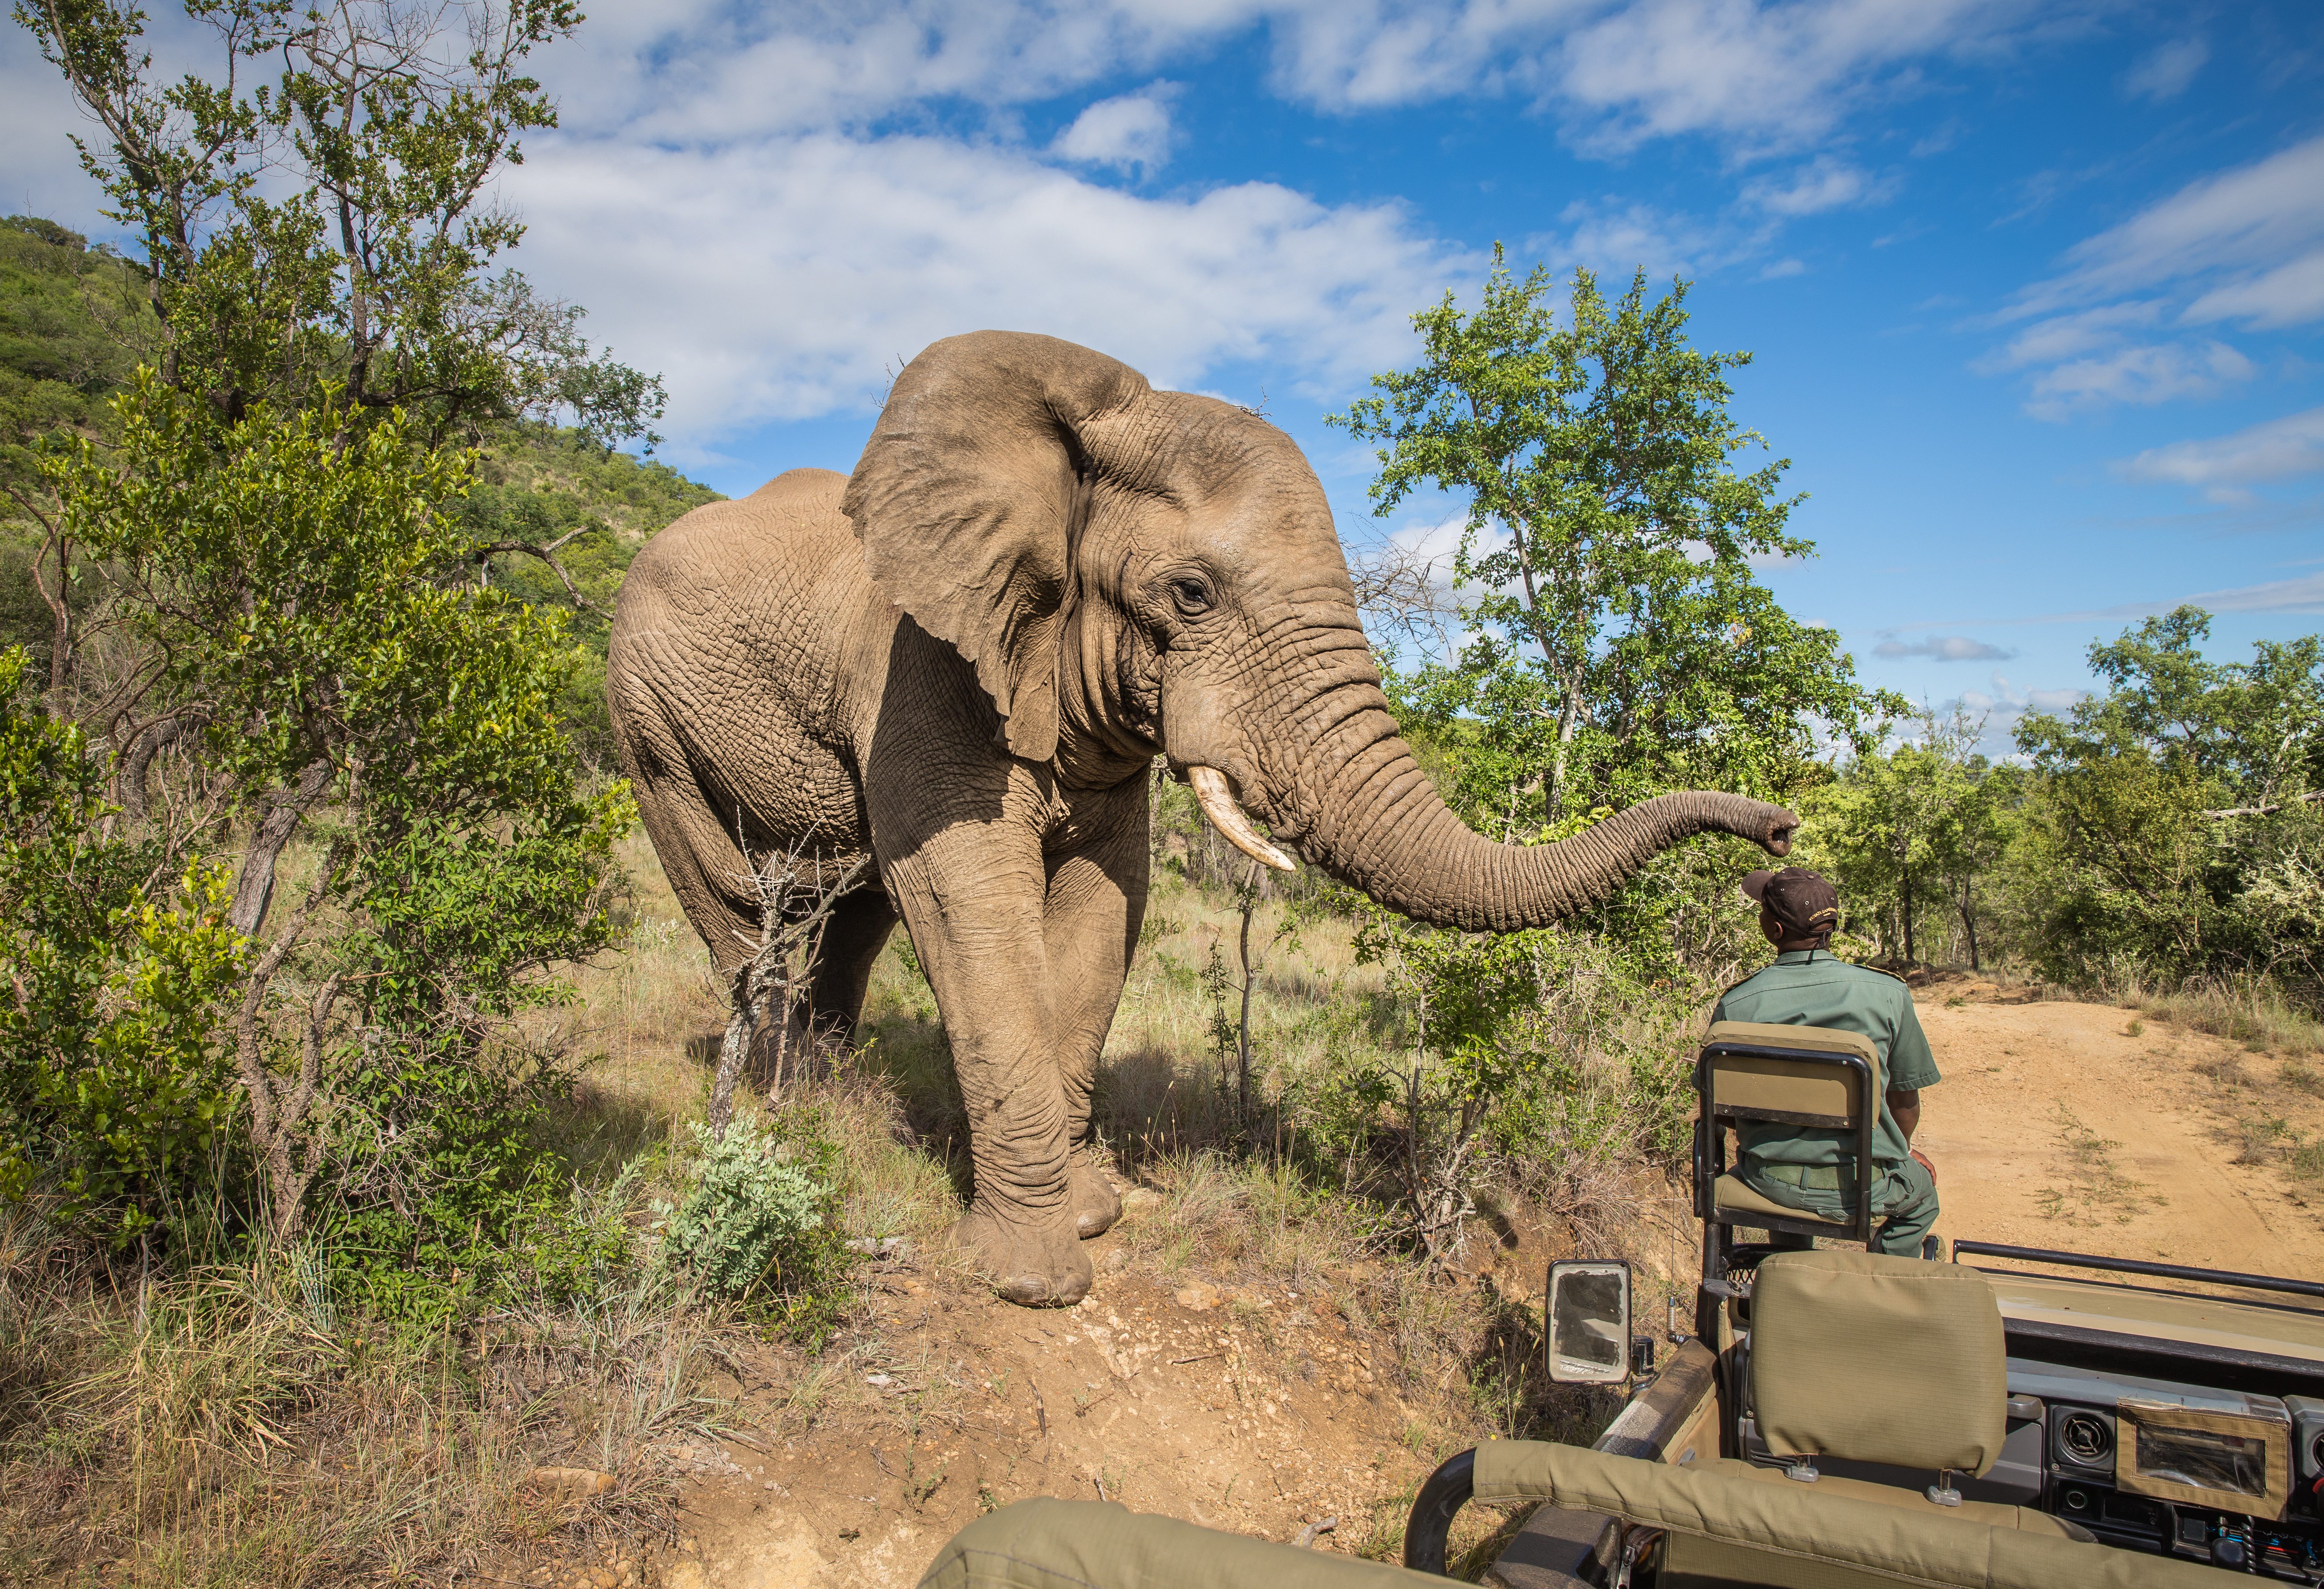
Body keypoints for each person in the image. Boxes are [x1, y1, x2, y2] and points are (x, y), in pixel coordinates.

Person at [1711, 866, 1941, 1258]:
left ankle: (1792, 1272)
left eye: (1763, 911)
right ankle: (1884, 1285)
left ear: (1776, 931)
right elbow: (1905, 1103)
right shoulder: (1888, 994)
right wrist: (1897, 1153)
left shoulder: (1738, 1003)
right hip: (1868, 1181)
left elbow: (1725, 1112)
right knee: (1922, 1199)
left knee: (1786, 1207)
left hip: (1770, 1181)